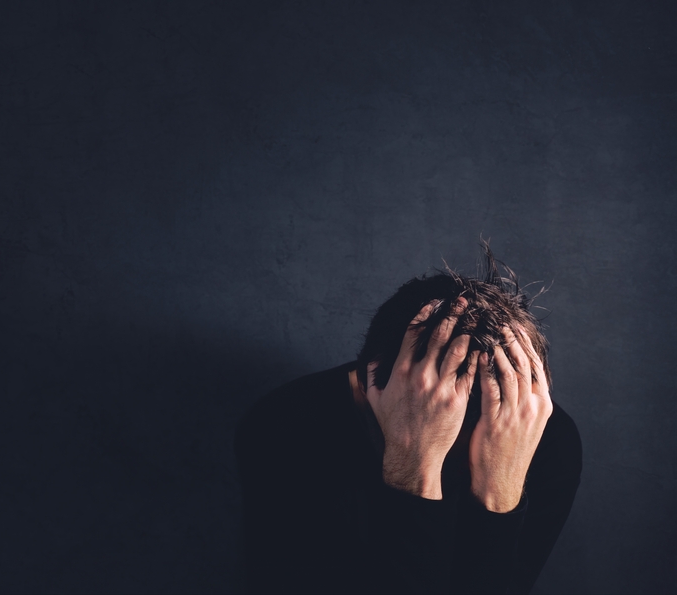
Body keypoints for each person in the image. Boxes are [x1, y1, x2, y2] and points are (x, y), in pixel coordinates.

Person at [235, 247, 582, 594]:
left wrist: (499, 495)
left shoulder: (542, 436)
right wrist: (414, 469)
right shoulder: (286, 426)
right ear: (371, 382)